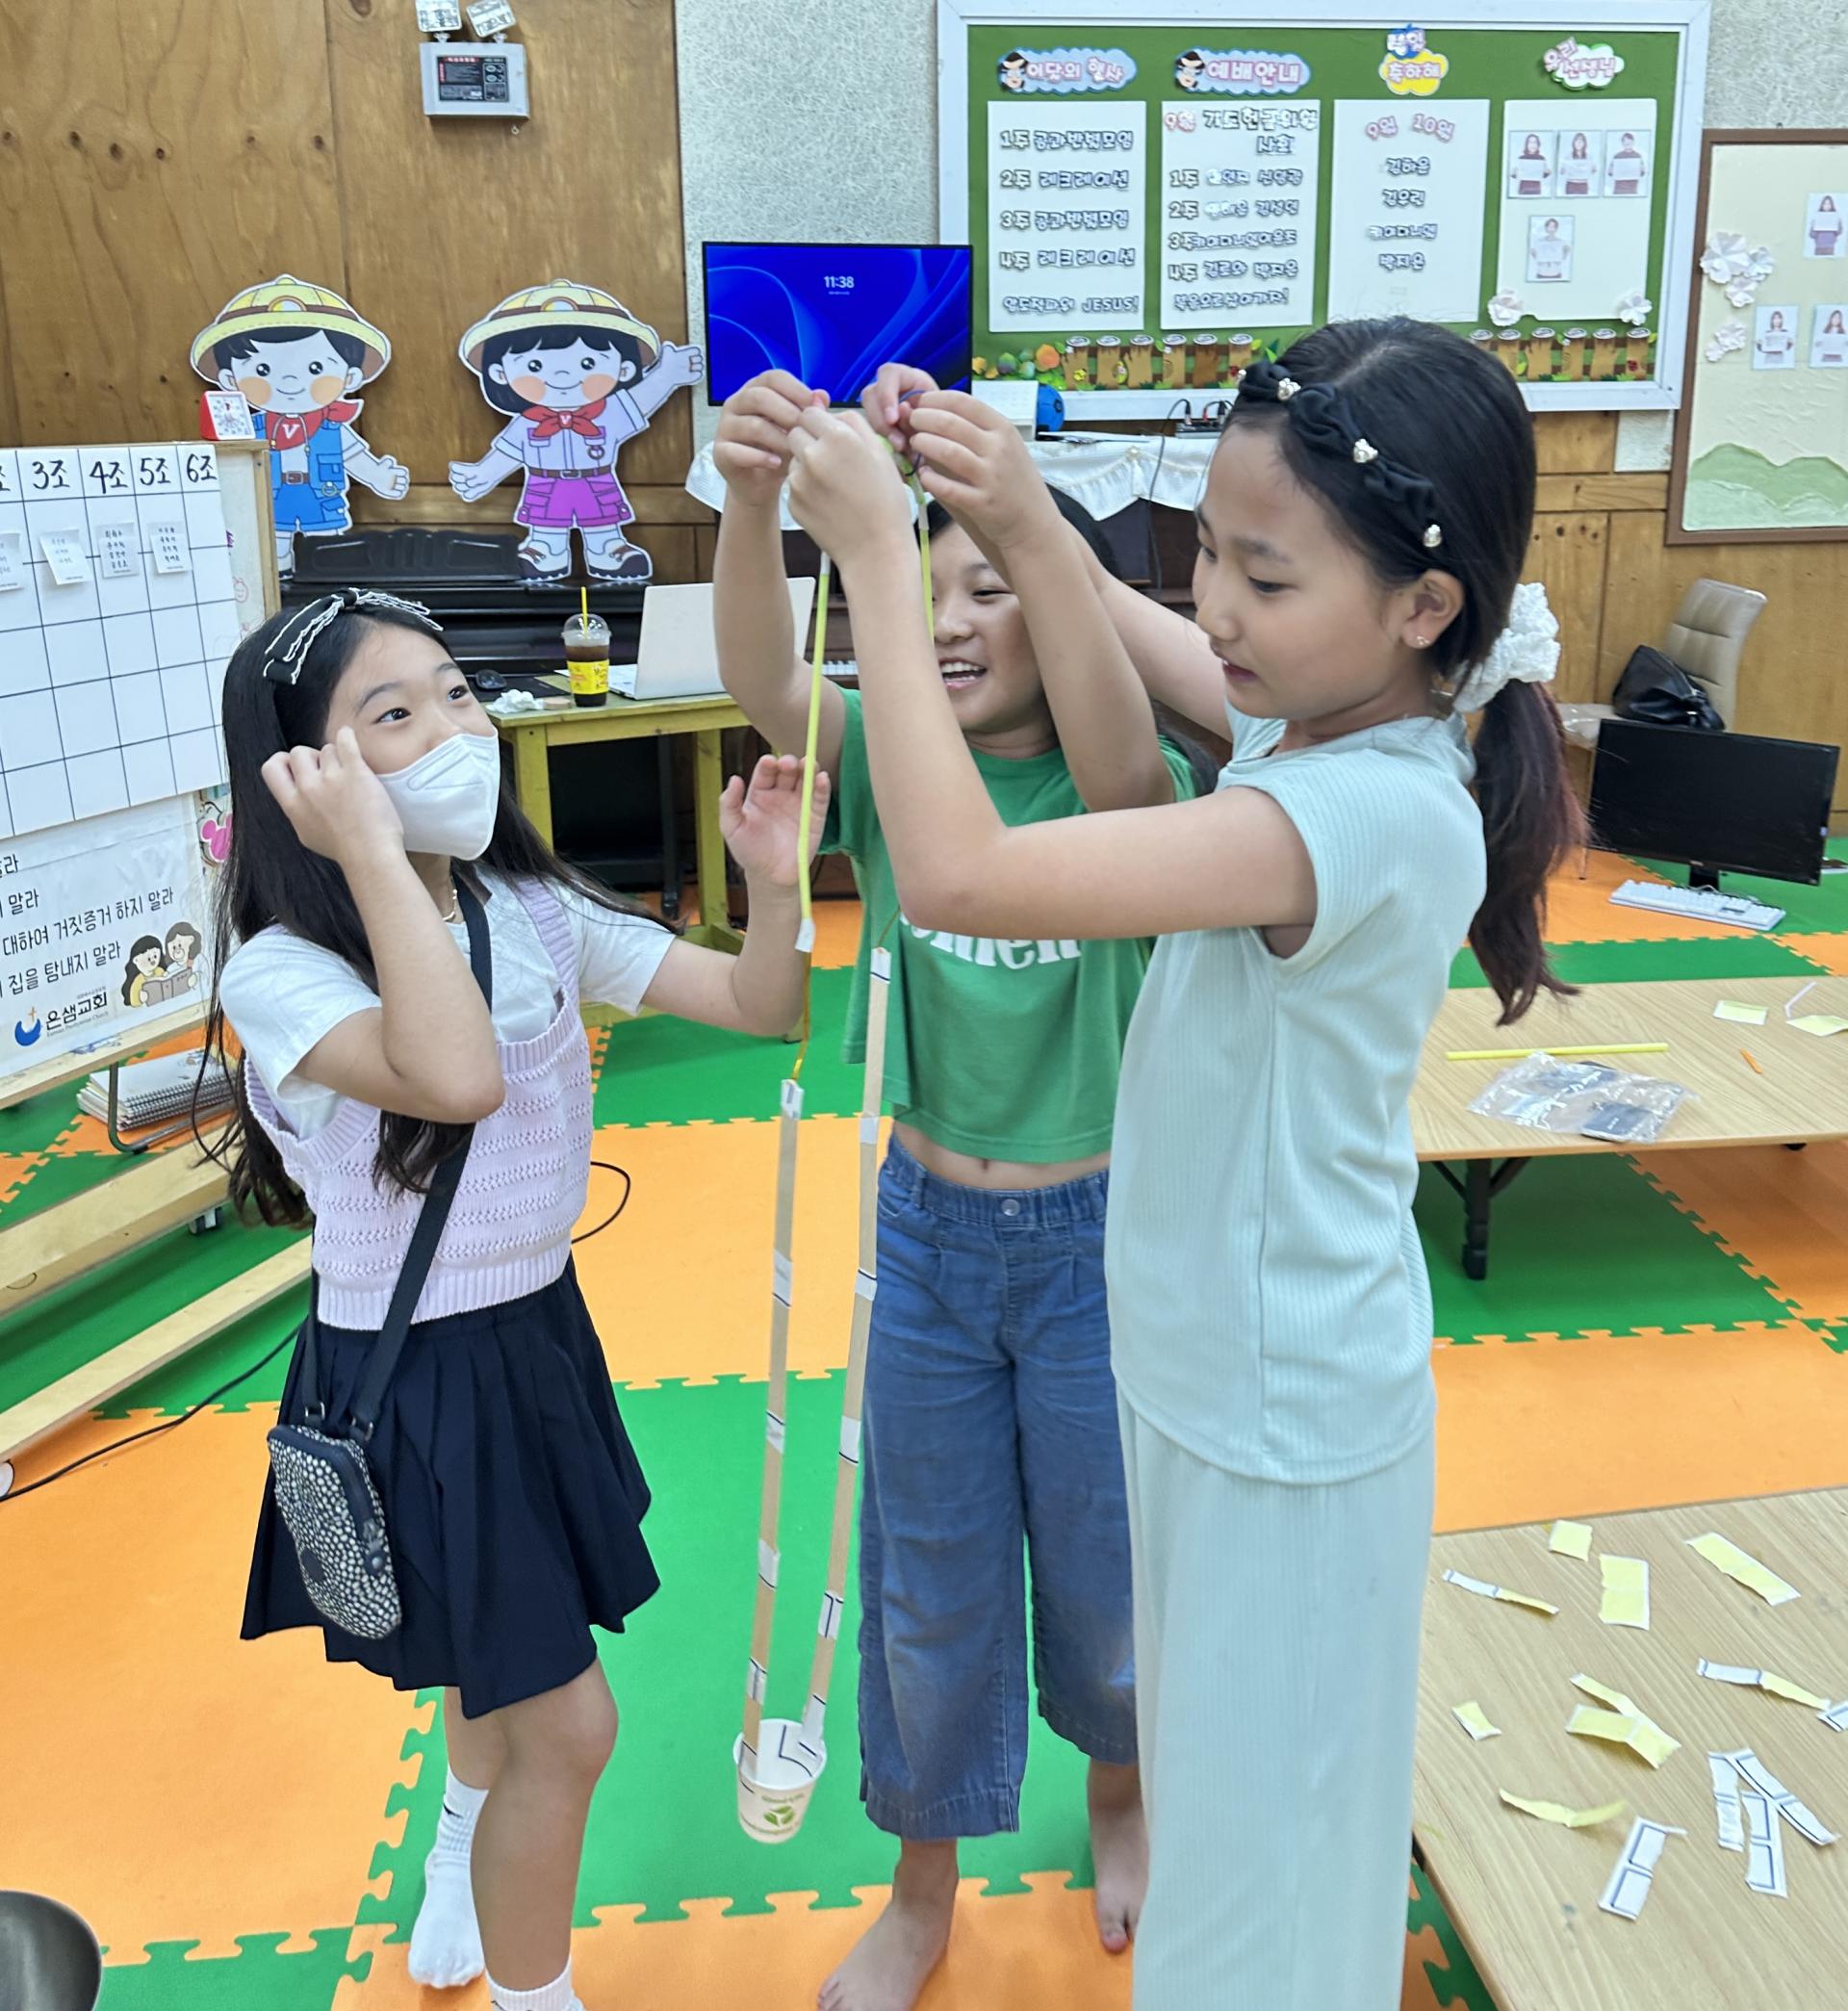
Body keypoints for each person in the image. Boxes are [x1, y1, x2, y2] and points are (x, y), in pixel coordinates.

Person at [786, 318, 1582, 2006]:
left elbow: (962, 875)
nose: (1215, 604)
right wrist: (1011, 506)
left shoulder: (1359, 807)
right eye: (1207, 547)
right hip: (1216, 1374)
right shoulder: (1321, 712)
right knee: (1246, 1826)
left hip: (1283, 1420)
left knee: (1257, 1886)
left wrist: (877, 571)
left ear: (1424, 607)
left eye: (1263, 575)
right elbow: (1124, 618)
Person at [209, 588, 821, 2011]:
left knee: (503, 1665)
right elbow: (456, 1076)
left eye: (458, 694)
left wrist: (778, 884)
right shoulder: (282, 969)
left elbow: (763, 1004)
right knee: (570, 1725)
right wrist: (375, 856)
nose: (452, 730)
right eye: (394, 712)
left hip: (536, 1334)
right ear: (303, 773)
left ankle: (456, 1841)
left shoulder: (530, 908)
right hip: (413, 1375)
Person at [713, 372, 1207, 2011]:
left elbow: (1123, 752)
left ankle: (1121, 1797)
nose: (947, 618)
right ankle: (920, 1887)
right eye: (929, 588)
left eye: (991, 588)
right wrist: (752, 506)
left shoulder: (1129, 793)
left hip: (1096, 1248)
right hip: (922, 1244)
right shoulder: (891, 764)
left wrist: (1020, 522)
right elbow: (766, 679)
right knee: (924, 1586)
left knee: (1110, 1575)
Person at [449, 280, 704, 583]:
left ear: (623, 369)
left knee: (602, 521)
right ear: (500, 374)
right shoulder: (527, 423)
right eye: (534, 365)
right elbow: (507, 454)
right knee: (546, 525)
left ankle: (608, 548)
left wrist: (667, 376)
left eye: (588, 363)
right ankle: (545, 549)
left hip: (596, 480)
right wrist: (484, 474)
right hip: (545, 484)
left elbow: (641, 400)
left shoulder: (611, 413)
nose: (562, 375)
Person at [1810, 194, 1843, 259]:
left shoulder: (1835, 217)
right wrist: (1813, 225)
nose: (1827, 206)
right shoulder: (1817, 216)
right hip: (1819, 247)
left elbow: (1839, 233)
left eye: (1829, 204)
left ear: (1831, 205)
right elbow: (1812, 235)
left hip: (1830, 247)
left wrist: (1838, 223)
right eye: (1825, 204)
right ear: (1822, 205)